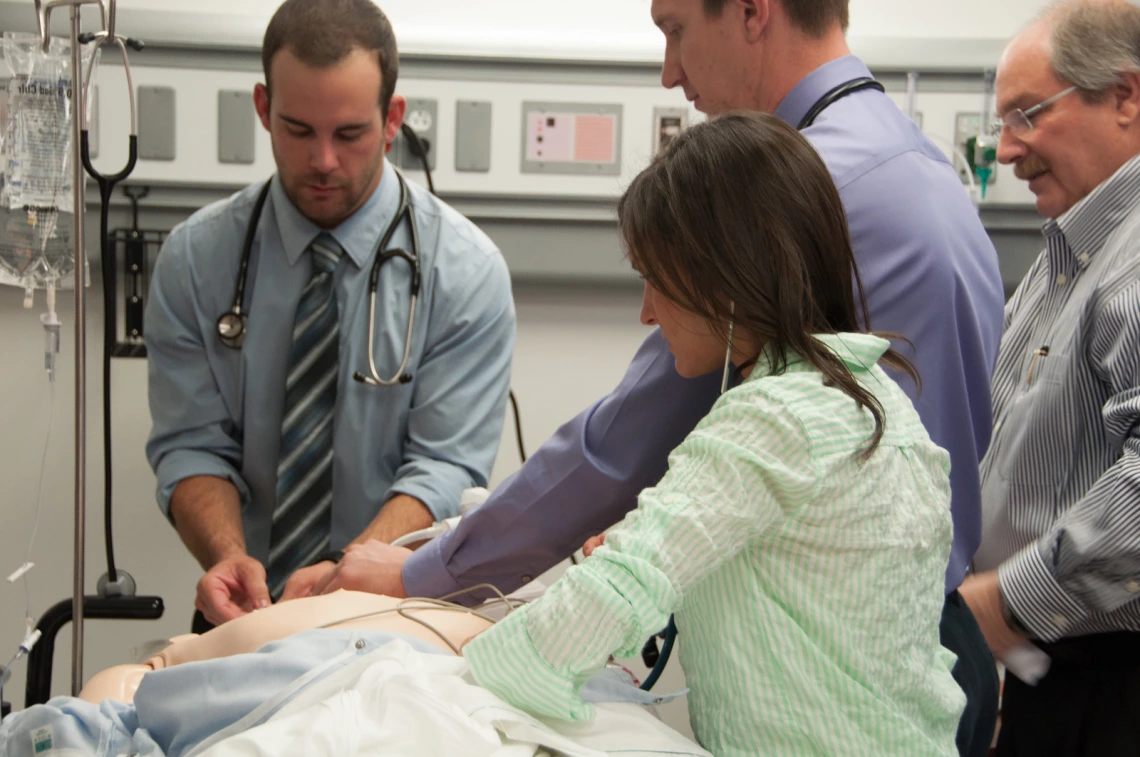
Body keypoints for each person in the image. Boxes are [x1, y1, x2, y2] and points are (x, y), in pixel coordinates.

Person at [316, 1, 1006, 752]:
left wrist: (443, 614)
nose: (669, 70)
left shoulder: (775, 370)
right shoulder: (915, 191)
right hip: (922, 680)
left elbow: (621, 457)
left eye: (674, 28)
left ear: (751, 12)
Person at [463, 111, 965, 756]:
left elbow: (596, 607)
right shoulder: (876, 400)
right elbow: (816, 598)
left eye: (654, 280)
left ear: (720, 278)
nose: (646, 311)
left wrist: (459, 662)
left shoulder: (772, 416)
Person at [144, 0, 515, 631]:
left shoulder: (466, 272)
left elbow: (446, 466)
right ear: (263, 108)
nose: (322, 161)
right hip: (246, 609)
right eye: (297, 129)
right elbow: (192, 446)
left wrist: (350, 576)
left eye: (349, 134)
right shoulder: (195, 261)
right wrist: (230, 558)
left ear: (392, 118)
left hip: (392, 610)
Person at [957, 1, 1140, 754]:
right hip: (1049, 667)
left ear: (1127, 97)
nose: (1005, 150)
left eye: (1028, 115)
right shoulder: (1066, 261)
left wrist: (1007, 600)